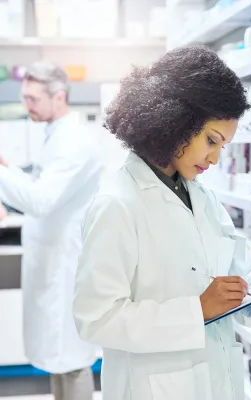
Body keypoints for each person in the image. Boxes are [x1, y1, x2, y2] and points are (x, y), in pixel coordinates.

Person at [73, 46, 251, 400]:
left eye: (223, 146)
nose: (214, 157)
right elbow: (96, 318)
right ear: (174, 122)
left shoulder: (203, 199)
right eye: (211, 140)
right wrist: (195, 310)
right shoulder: (118, 204)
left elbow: (240, 273)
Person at [0, 61, 103, 400]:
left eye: (32, 99)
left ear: (59, 97)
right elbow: (44, 185)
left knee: (71, 359)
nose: (26, 105)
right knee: (60, 361)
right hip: (52, 257)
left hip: (65, 264)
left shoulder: (74, 140)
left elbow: (41, 200)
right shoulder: (57, 135)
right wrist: (11, 170)